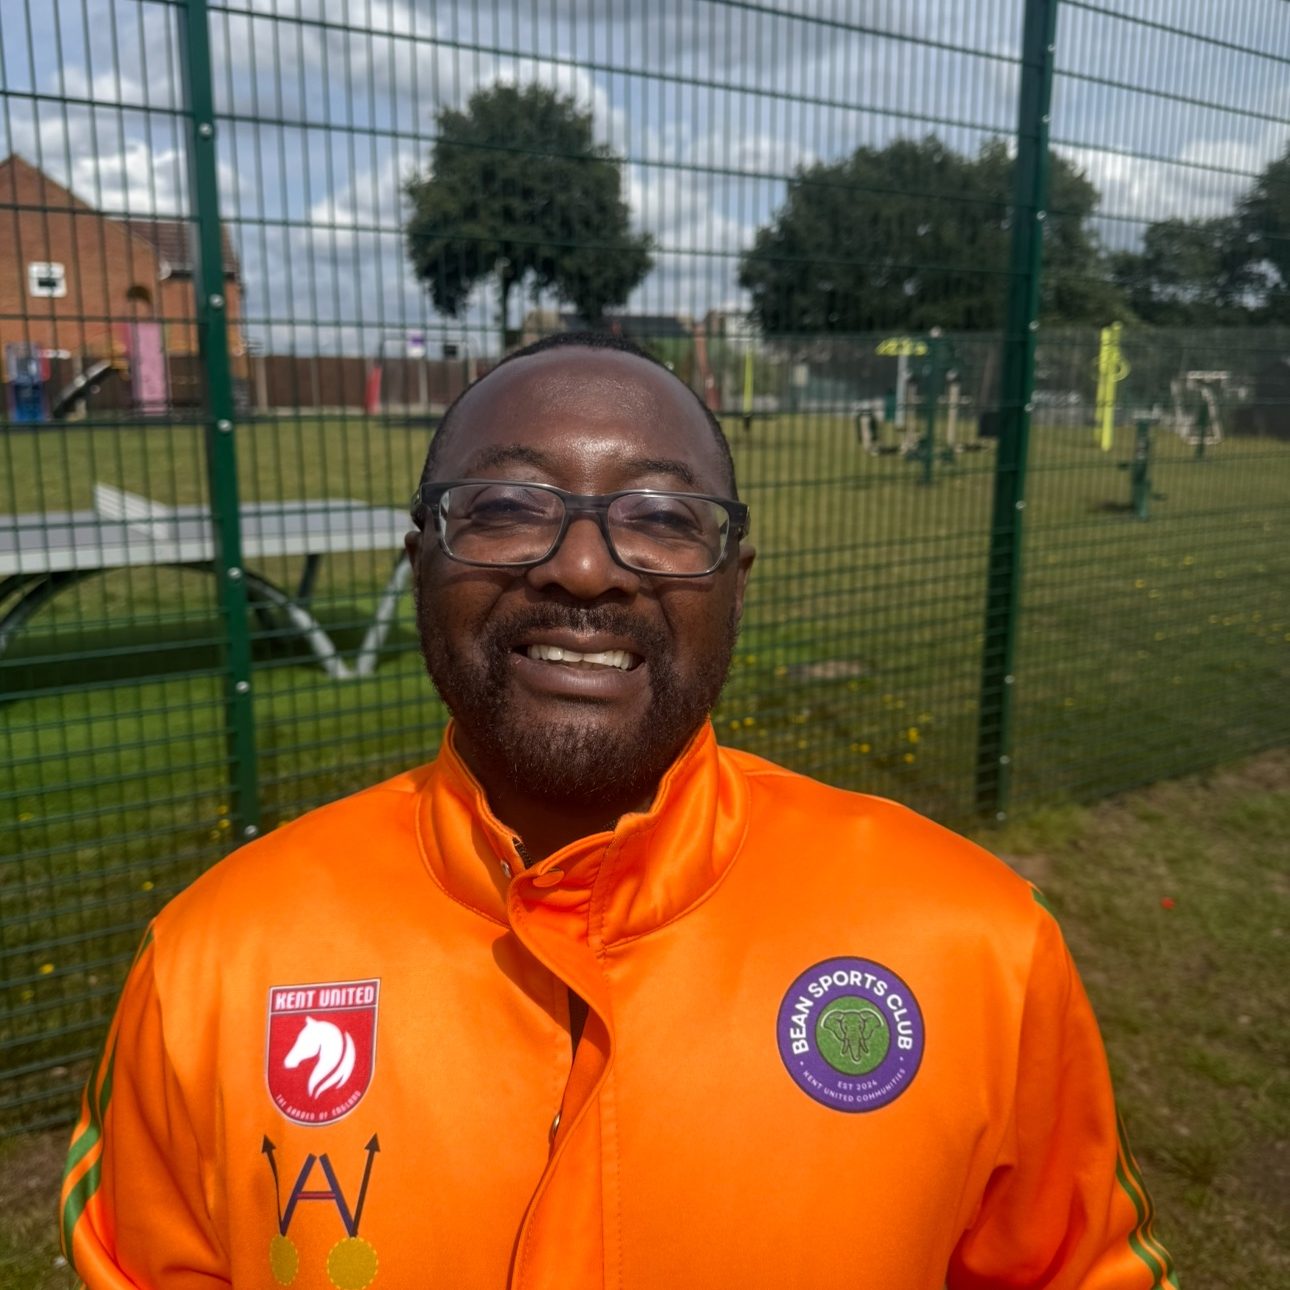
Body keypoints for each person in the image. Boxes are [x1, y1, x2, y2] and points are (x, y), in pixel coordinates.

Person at [60, 332, 1175, 1289]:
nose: (586, 569)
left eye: (662, 515)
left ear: (736, 580)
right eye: (508, 506)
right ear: (422, 563)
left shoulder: (976, 948)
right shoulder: (211, 967)